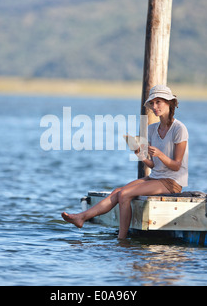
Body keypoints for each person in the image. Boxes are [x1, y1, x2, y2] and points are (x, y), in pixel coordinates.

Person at [62, 85, 189, 239]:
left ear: (169, 103)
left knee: (125, 194)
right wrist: (141, 156)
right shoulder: (152, 129)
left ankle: (122, 239)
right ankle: (81, 217)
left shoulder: (179, 129)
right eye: (152, 103)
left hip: (172, 182)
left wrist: (160, 154)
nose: (155, 107)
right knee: (117, 192)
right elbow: (154, 165)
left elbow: (176, 165)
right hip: (156, 177)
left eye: (159, 102)